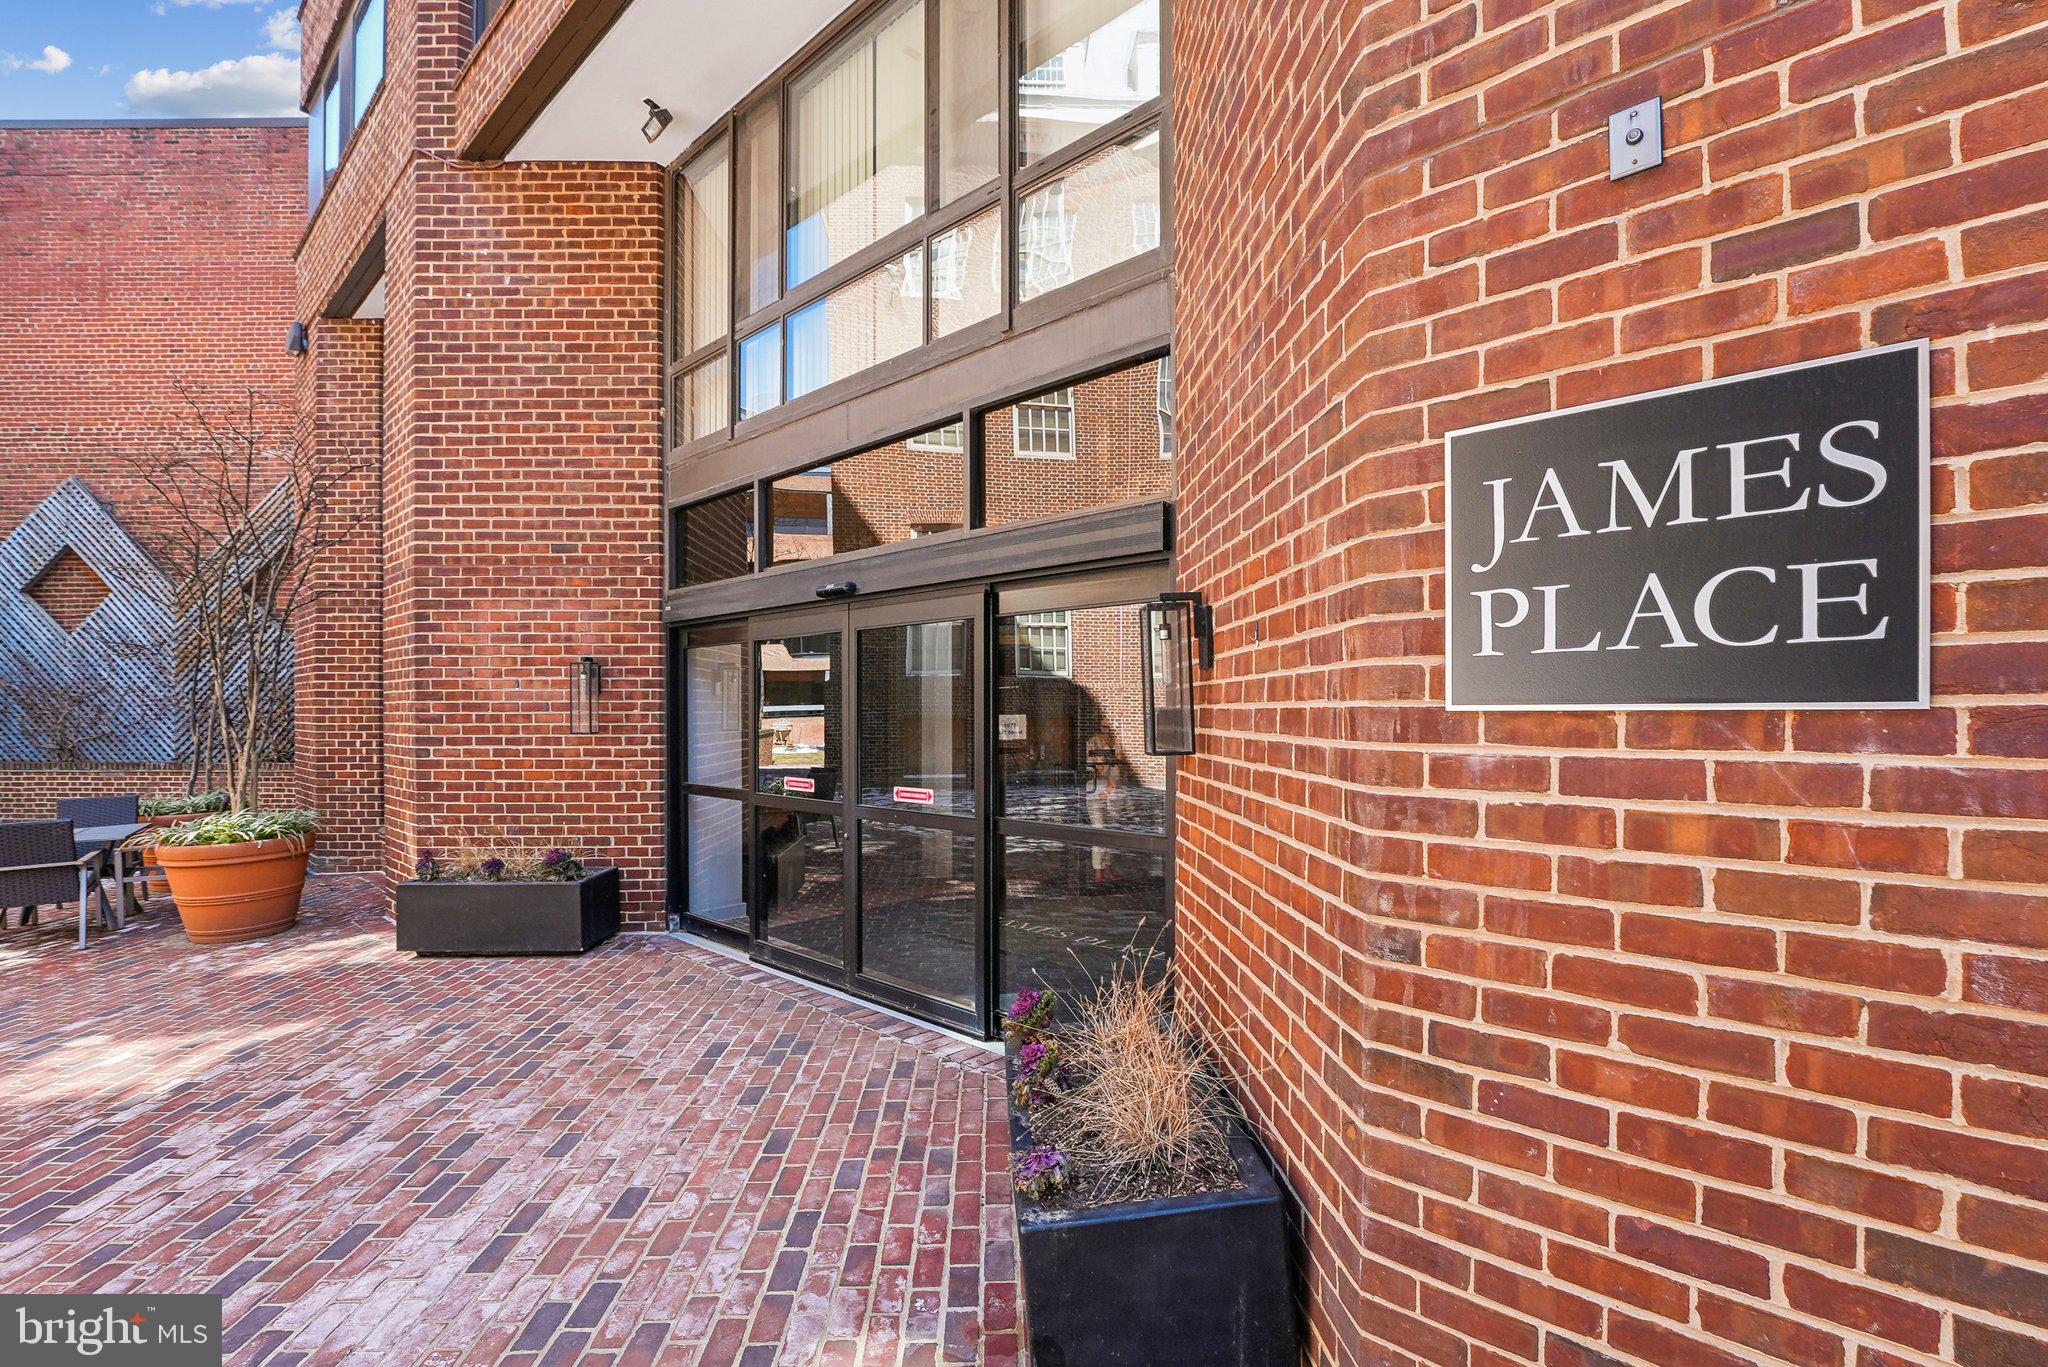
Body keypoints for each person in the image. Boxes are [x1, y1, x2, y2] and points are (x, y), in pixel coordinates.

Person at [1083, 726, 1127, 882]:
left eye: (1110, 727)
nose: (1107, 730)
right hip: (1096, 789)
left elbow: (1119, 770)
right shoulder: (1093, 743)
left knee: (1112, 828)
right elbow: (1092, 767)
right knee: (1099, 828)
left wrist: (1111, 786)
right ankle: (1098, 871)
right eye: (1104, 727)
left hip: (1114, 791)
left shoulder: (1119, 744)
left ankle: (1108, 866)